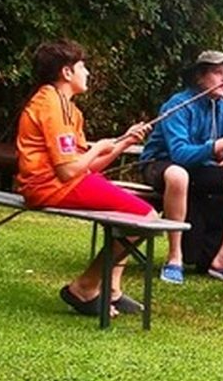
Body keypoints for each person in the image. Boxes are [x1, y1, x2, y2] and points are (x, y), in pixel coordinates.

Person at [15, 38, 156, 317]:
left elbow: (87, 167)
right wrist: (102, 145)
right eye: (83, 67)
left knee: (140, 210)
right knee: (146, 217)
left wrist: (123, 143)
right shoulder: (52, 105)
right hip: (50, 187)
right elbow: (68, 170)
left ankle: (111, 289)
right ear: (67, 72)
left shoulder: (66, 107)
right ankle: (85, 286)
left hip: (63, 182)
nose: (87, 72)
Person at [140, 50, 223, 284]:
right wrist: (220, 144)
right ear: (199, 77)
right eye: (217, 73)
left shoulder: (222, 109)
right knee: (179, 175)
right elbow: (179, 154)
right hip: (161, 164)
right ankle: (174, 258)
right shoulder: (179, 104)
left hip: (199, 167)